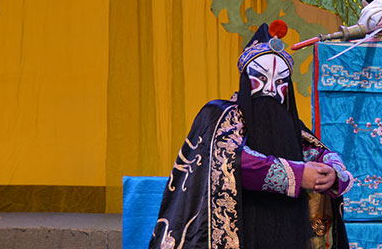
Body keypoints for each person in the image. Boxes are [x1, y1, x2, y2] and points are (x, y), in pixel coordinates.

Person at [148, 22, 353, 249]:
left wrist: (332, 173)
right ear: (245, 79)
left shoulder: (292, 126)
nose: (270, 89)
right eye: (261, 78)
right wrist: (297, 175)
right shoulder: (219, 116)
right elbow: (232, 161)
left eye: (281, 81)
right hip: (240, 227)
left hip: (285, 230)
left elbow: (321, 153)